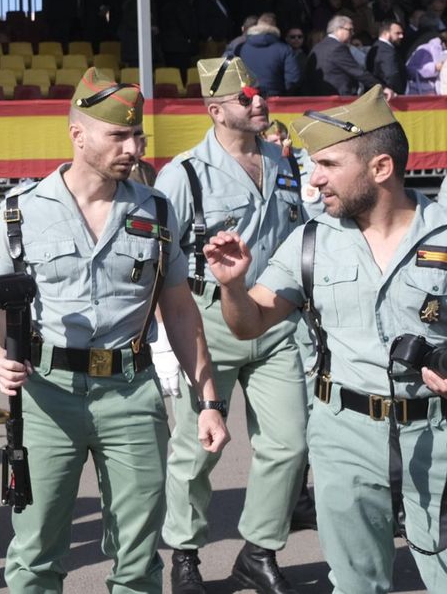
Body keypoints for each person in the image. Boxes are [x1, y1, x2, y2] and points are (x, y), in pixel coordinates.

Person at [0, 68, 228, 594]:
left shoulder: (156, 210)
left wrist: (208, 400)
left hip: (131, 393)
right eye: (119, 135)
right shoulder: (22, 210)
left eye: (138, 136)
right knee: (36, 553)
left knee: (138, 557)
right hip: (47, 396)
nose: (133, 148)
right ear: (78, 135)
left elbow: (180, 311)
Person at [207, 87, 447, 594]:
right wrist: (232, 286)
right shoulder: (311, 241)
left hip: (437, 433)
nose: (314, 179)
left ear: (380, 168)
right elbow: (250, 323)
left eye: (329, 164)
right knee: (356, 584)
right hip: (344, 436)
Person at [151, 58, 309, 594]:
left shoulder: (285, 162)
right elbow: (160, 261)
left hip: (276, 319)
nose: (258, 102)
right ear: (216, 110)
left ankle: (260, 549)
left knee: (289, 443)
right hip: (207, 318)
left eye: (258, 94)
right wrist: (164, 344)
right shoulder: (184, 173)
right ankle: (186, 555)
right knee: (197, 449)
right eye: (245, 98)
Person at [306, 16, 386, 97]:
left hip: (319, 99)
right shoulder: (337, 47)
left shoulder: (317, 47)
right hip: (338, 99)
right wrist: (381, 87)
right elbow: (357, 72)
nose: (353, 33)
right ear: (338, 29)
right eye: (350, 30)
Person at [365, 19, 407, 95]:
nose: (401, 36)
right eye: (397, 33)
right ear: (386, 34)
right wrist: (397, 92)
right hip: (390, 96)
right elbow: (391, 74)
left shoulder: (376, 46)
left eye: (402, 33)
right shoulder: (386, 51)